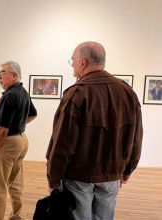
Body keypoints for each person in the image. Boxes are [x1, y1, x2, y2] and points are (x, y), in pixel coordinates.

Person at [46, 41, 143, 220]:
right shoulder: (127, 92)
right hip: (112, 174)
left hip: (79, 176)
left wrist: (53, 178)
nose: (72, 65)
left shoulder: (76, 94)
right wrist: (128, 169)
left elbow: (62, 142)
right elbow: (136, 137)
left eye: (73, 60)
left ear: (83, 62)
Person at [0, 61, 37, 220]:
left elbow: (2, 129)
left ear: (14, 75)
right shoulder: (22, 91)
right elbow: (33, 114)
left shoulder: (9, 96)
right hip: (21, 141)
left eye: (3, 73)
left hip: (7, 143)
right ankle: (17, 215)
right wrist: (19, 125)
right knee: (15, 183)